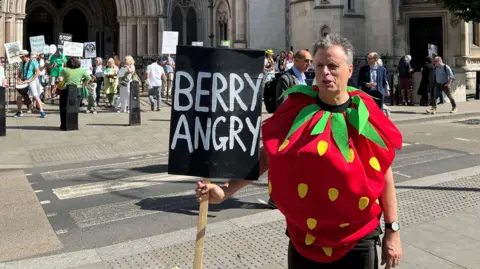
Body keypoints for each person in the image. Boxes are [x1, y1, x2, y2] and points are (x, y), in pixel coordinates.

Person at [196, 34, 403, 269]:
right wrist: (225, 191)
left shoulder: (365, 112)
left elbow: (384, 174)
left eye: (333, 66)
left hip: (358, 239)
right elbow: (266, 156)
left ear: (350, 69)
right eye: (319, 66)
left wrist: (392, 230)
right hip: (305, 239)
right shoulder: (298, 109)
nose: (325, 72)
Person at [57, 57, 90, 130]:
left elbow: (60, 79)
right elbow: (88, 78)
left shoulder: (64, 70)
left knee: (63, 108)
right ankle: (73, 124)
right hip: (77, 90)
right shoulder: (81, 70)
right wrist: (84, 84)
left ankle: (64, 125)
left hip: (66, 90)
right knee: (74, 108)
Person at [15, 50, 46, 118]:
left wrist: (30, 80)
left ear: (24, 56)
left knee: (35, 95)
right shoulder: (21, 63)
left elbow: (37, 72)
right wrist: (19, 79)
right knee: (19, 97)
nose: (20, 58)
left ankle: (42, 111)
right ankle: (19, 111)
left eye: (21, 56)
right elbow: (19, 72)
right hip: (23, 81)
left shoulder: (33, 62)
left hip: (31, 81)